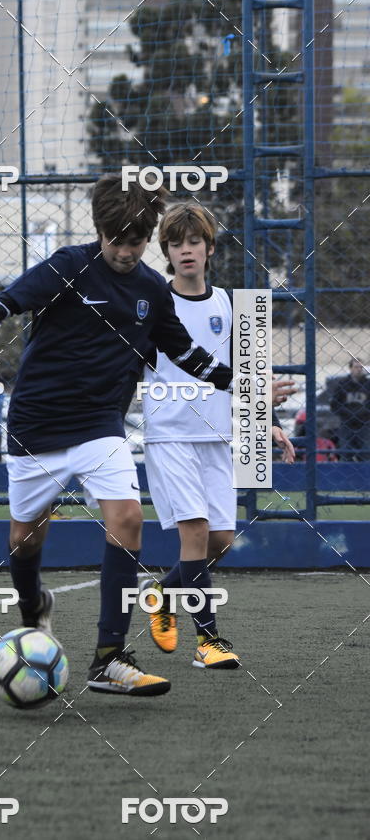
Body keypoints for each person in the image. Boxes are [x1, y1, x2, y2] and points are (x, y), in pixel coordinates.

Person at [0, 175, 236, 697]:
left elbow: (188, 355)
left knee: (129, 518)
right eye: (117, 240)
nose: (127, 252)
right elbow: (2, 304)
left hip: (99, 427)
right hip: (37, 424)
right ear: (99, 230)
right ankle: (33, 605)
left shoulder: (153, 289)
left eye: (136, 242)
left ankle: (108, 658)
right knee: (25, 539)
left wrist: (245, 384)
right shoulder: (68, 265)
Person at [139, 203, 295, 668]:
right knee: (196, 532)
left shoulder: (229, 304)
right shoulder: (152, 305)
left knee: (221, 540)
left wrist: (263, 420)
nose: (185, 250)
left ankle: (162, 595)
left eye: (193, 241)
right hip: (169, 437)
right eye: (175, 243)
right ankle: (209, 643)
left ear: (209, 247)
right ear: (165, 250)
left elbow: (239, 377)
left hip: (218, 438)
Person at [330, 359, 370, 461]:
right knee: (345, 453)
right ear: (351, 368)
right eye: (356, 367)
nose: (359, 370)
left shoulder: (367, 384)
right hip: (346, 425)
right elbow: (335, 404)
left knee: (366, 454)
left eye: (361, 367)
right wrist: (348, 413)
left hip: (364, 425)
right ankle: (345, 475)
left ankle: (365, 476)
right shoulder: (343, 384)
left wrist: (364, 413)